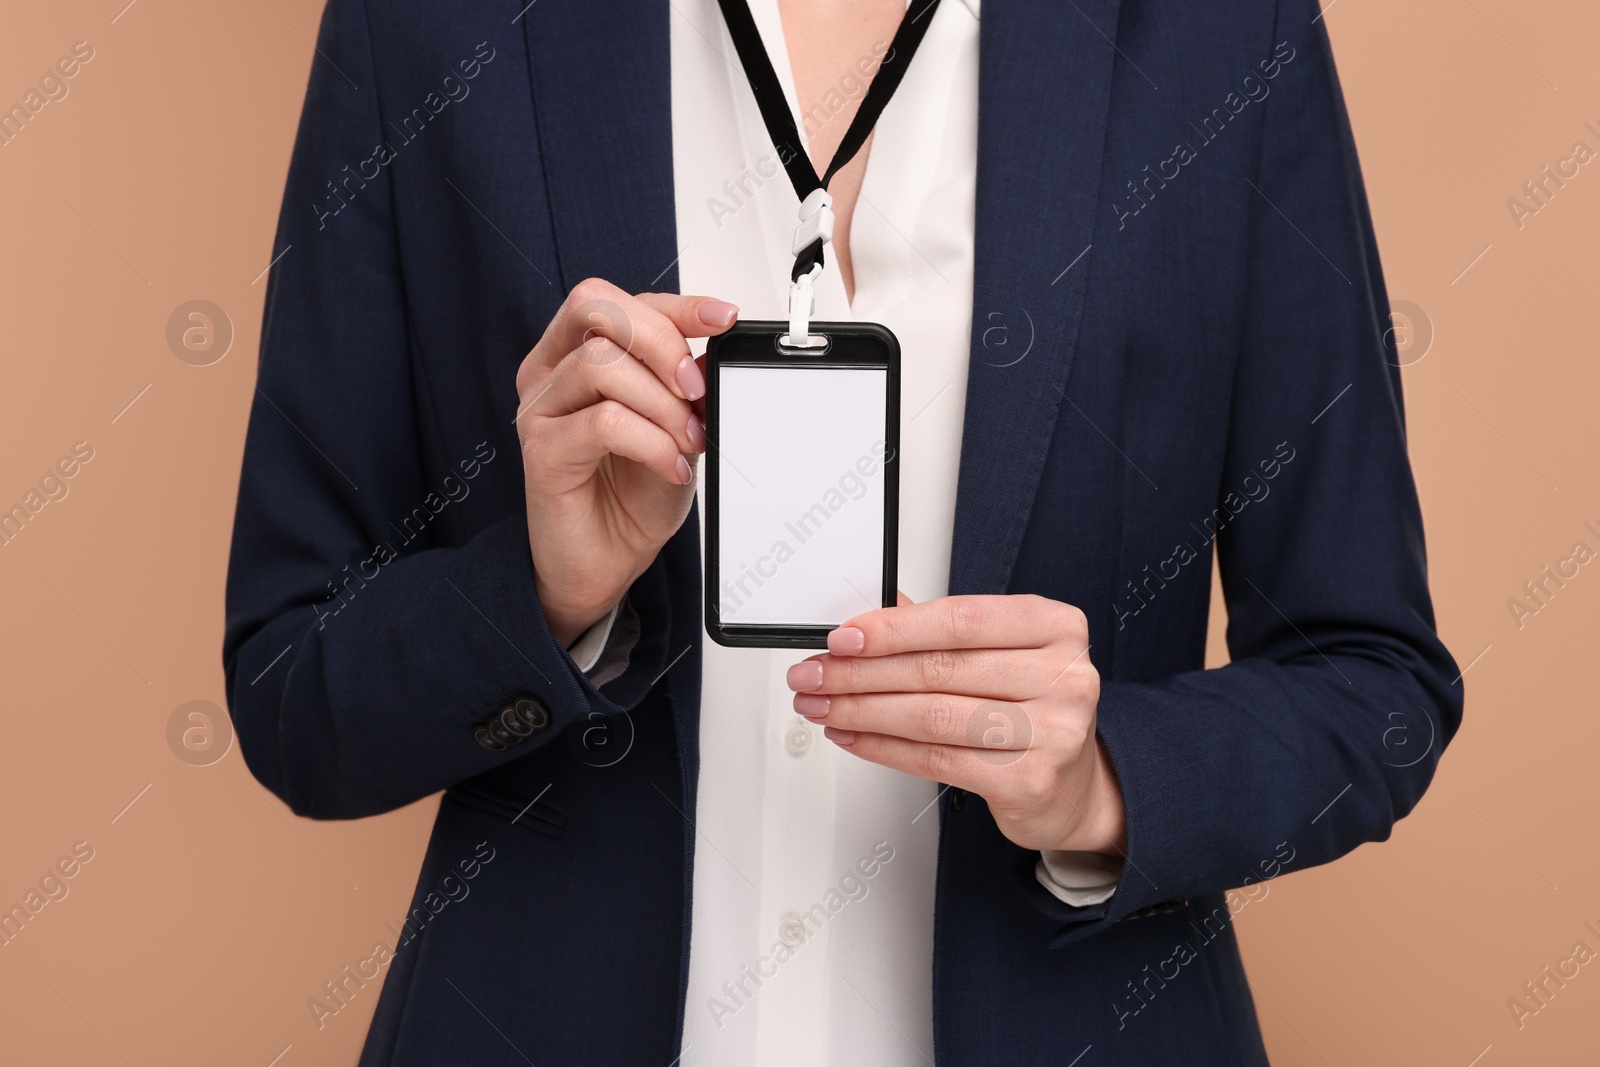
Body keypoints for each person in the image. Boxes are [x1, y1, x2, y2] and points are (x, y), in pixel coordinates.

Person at [223, 0, 1462, 1063]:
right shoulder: (429, 21)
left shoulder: (1221, 30)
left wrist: (1103, 780)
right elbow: (291, 683)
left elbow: (1375, 680)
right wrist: (541, 597)